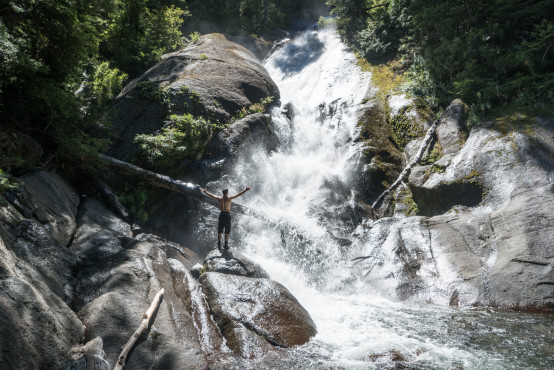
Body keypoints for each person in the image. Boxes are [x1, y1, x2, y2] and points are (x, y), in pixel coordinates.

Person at [201, 186, 251, 251]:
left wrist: (206, 192)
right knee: (227, 230)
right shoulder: (230, 198)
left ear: (222, 193)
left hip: (221, 215)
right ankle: (226, 244)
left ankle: (219, 244)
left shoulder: (220, 199)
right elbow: (238, 194)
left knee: (220, 229)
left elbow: (212, 196)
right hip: (227, 216)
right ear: (227, 193)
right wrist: (246, 190)